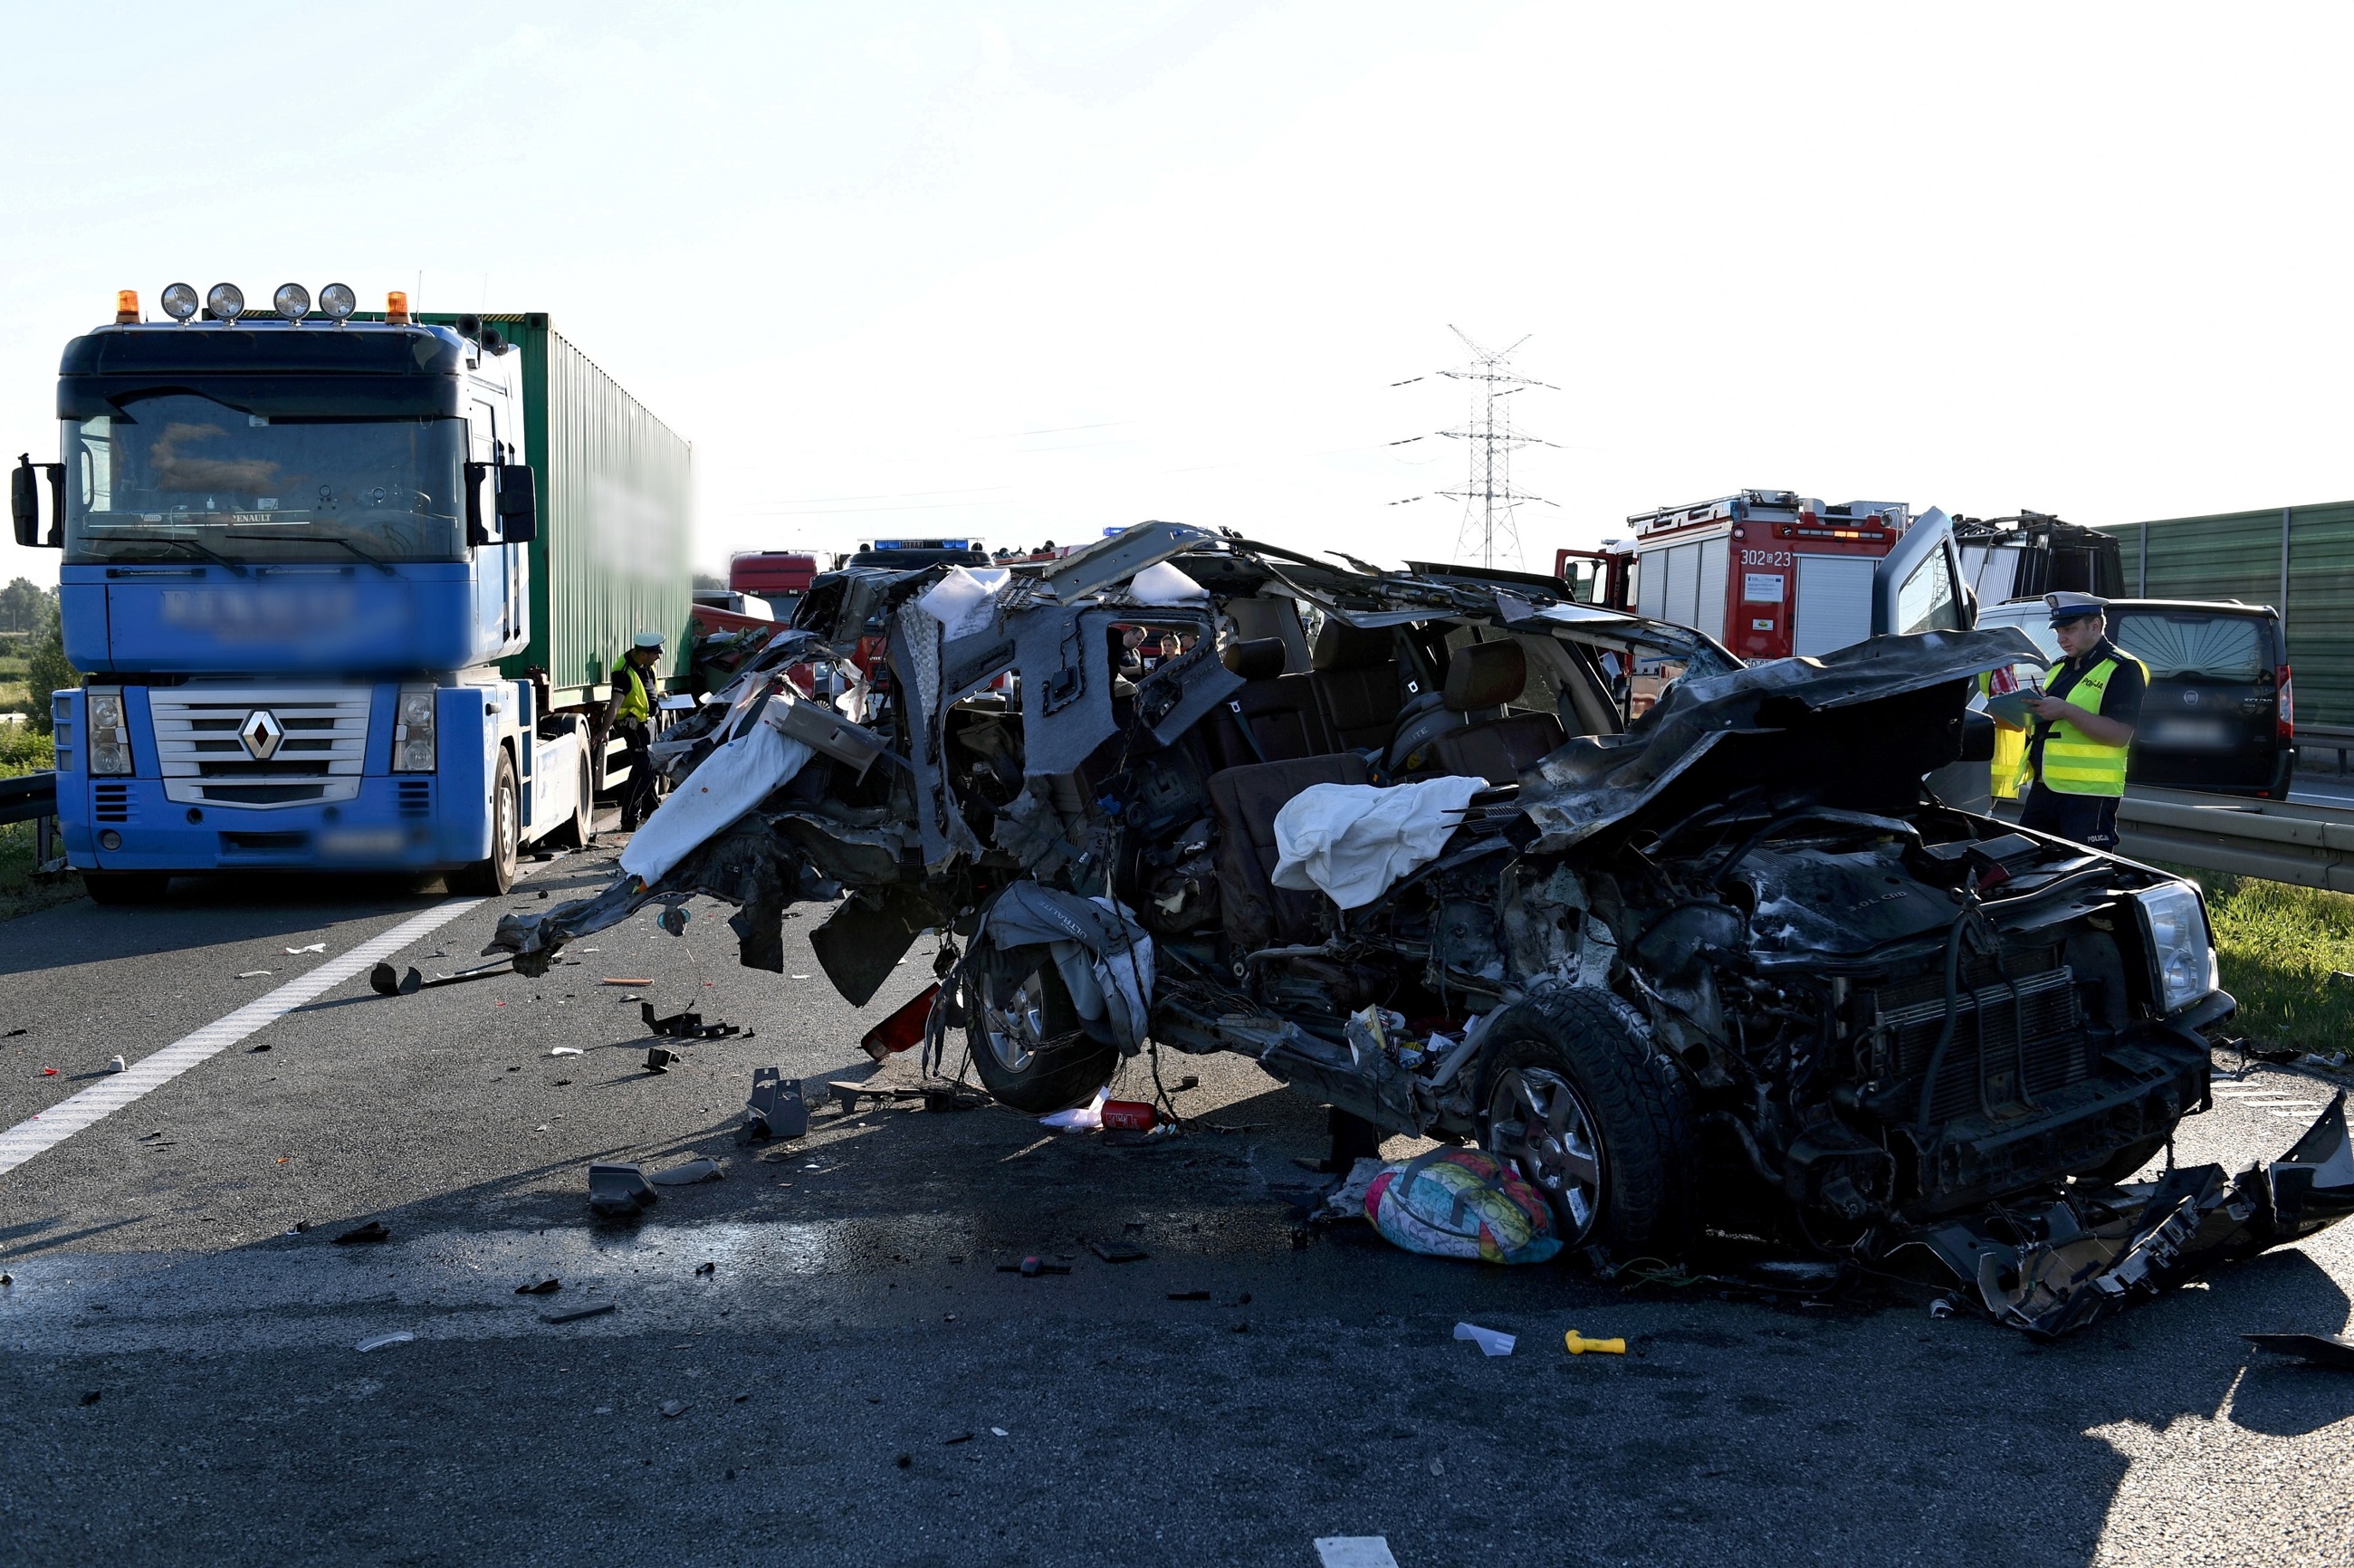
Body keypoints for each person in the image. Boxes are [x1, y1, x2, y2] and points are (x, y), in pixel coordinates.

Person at [2016, 592, 2148, 851]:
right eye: (2058, 631)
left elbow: (2120, 734)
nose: (2061, 638)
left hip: (2088, 797)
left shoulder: (2123, 668)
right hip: (2045, 789)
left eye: (2069, 629)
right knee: (2027, 864)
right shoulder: (2061, 667)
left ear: (2095, 626)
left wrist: (2066, 710)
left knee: (2085, 878)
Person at [607, 630, 665, 831]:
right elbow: (614, 704)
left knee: (650, 769)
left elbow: (647, 689)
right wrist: (602, 731)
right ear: (643, 654)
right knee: (643, 770)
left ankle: (651, 811)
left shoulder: (645, 665)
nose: (658, 657)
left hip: (649, 723)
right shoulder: (623, 673)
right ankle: (629, 819)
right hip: (635, 726)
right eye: (656, 653)